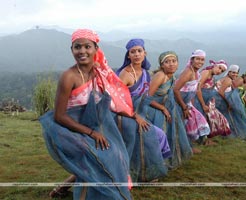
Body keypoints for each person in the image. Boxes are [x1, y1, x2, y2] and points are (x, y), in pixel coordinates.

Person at [39, 29, 132, 199]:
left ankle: (69, 187)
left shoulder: (98, 73)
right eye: (77, 47)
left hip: (91, 125)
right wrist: (91, 133)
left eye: (87, 46)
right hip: (70, 130)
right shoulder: (69, 77)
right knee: (101, 157)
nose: (82, 51)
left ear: (96, 49)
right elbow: (59, 116)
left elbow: (111, 99)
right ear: (72, 50)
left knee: (118, 154)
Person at [116, 38, 170, 182]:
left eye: (139, 51)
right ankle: (127, 176)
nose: (136, 54)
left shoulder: (146, 73)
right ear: (128, 55)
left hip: (138, 116)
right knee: (143, 139)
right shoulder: (126, 74)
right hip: (124, 117)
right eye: (133, 52)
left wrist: (160, 108)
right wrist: (135, 117)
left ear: (144, 53)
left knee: (159, 136)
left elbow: (144, 98)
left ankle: (146, 172)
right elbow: (117, 101)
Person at [145, 51, 193, 169]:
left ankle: (163, 160)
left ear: (177, 63)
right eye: (167, 62)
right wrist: (162, 108)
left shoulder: (172, 77)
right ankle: (154, 164)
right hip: (151, 110)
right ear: (162, 65)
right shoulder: (160, 76)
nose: (171, 64)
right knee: (157, 137)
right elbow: (146, 98)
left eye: (174, 61)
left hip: (163, 109)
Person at [173, 49, 210, 152]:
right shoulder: (188, 72)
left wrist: (195, 105)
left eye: (202, 60)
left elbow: (196, 90)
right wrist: (184, 107)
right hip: (178, 102)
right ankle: (183, 147)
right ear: (192, 59)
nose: (200, 62)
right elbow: (176, 90)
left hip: (186, 102)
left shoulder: (197, 73)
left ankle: (187, 145)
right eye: (198, 59)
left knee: (194, 121)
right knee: (180, 125)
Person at [193, 59, 231, 141]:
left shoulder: (211, 75)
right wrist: (203, 104)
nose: (219, 71)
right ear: (215, 65)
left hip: (206, 99)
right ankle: (198, 140)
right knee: (199, 119)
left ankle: (202, 139)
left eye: (222, 71)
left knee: (204, 119)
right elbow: (197, 88)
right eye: (219, 68)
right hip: (198, 99)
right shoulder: (206, 72)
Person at [214, 64, 246, 140]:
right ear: (229, 72)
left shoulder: (228, 79)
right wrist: (228, 103)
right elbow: (221, 92)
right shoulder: (228, 80)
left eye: (236, 73)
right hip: (220, 102)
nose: (235, 74)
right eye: (233, 72)